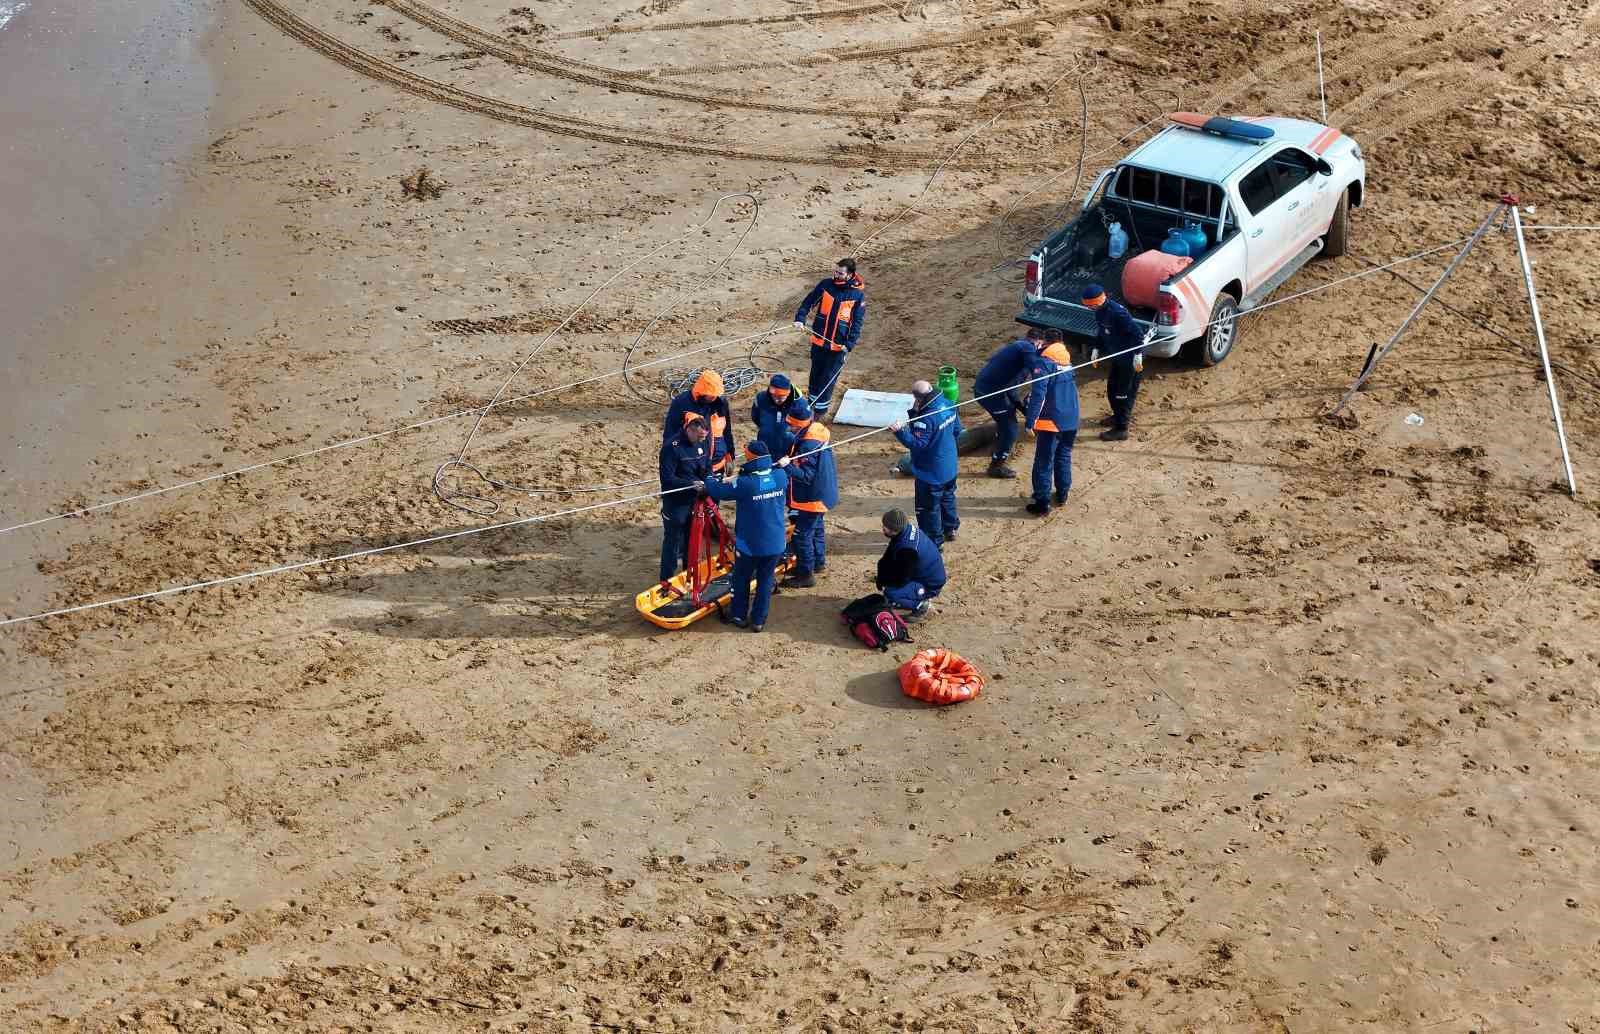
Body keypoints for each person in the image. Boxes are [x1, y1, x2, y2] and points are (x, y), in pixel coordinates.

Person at [696, 441, 789, 633]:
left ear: (751, 459)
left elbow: (717, 491)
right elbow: (773, 473)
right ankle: (758, 620)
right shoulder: (780, 476)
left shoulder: (746, 484)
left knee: (741, 579)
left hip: (751, 544)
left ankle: (738, 615)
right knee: (765, 581)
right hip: (775, 542)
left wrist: (709, 479)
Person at [890, 379, 962, 547]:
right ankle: (950, 528)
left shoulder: (925, 419)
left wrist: (900, 432)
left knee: (928, 508)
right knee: (948, 497)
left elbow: (917, 444)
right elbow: (957, 430)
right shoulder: (949, 404)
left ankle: (934, 541)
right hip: (950, 466)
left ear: (918, 398)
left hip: (931, 473)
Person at [775, 398, 838, 589]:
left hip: (812, 496)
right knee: (817, 528)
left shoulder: (808, 445)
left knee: (802, 535)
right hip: (823, 492)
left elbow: (806, 475)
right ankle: (818, 563)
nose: (789, 427)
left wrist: (787, 467)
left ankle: (805, 574)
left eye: (791, 424)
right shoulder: (815, 433)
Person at [792, 258, 866, 416]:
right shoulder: (826, 285)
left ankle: (820, 411)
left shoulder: (857, 295)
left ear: (850, 275)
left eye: (840, 273)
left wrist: (849, 344)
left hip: (838, 346)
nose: (836, 275)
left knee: (828, 379)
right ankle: (811, 405)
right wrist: (800, 318)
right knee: (815, 375)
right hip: (819, 341)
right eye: (836, 271)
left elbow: (857, 323)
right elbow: (808, 302)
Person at [973, 325, 1049, 478]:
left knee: (1009, 416)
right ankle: (996, 465)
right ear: (1038, 343)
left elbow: (1012, 388)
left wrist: (1024, 410)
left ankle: (1000, 440)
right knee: (1011, 428)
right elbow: (1037, 372)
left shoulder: (1019, 350)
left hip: (994, 389)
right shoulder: (1027, 348)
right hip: (990, 394)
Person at [1080, 283, 1146, 441]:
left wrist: (1137, 354)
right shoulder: (1099, 312)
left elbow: (1137, 334)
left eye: (1091, 306)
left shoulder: (1118, 313)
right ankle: (1117, 416)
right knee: (1112, 390)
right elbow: (1102, 332)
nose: (1089, 309)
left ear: (1097, 302)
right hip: (1117, 357)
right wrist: (1096, 348)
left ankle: (1121, 428)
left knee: (1123, 394)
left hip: (1130, 360)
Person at [1022, 338, 1079, 516]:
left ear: (1046, 343)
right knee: (1063, 456)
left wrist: (1030, 422)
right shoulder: (1067, 361)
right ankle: (1062, 494)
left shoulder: (1044, 364)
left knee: (1043, 462)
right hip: (1071, 419)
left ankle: (1042, 503)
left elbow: (1039, 395)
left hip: (1051, 422)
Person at [657, 412, 713, 582]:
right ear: (690, 430)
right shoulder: (671, 448)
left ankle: (688, 576)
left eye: (705, 436)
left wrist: (709, 479)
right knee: (672, 544)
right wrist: (690, 485)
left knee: (692, 540)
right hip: (676, 504)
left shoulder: (704, 442)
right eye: (700, 436)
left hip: (695, 502)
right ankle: (666, 580)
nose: (703, 440)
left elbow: (706, 465)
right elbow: (667, 479)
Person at [875, 508, 946, 620]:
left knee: (891, 593)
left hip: (930, 584)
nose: (883, 529)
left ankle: (922, 605)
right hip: (921, 570)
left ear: (895, 530)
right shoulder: (905, 530)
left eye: (887, 528)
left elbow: (902, 579)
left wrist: (885, 581)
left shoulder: (908, 550)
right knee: (889, 574)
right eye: (884, 525)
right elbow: (888, 557)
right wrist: (881, 575)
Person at [663, 369, 734, 472]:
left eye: (716, 395)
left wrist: (729, 456)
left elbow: (727, 431)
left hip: (718, 465)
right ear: (701, 392)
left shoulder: (721, 403)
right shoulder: (681, 403)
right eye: (711, 395)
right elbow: (670, 433)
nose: (714, 397)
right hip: (694, 467)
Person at [750, 373, 798, 458]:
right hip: (765, 443)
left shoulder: (796, 404)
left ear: (788, 393)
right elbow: (755, 417)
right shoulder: (761, 399)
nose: (776, 399)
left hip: (786, 449)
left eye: (781, 397)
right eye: (774, 396)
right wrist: (765, 428)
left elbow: (801, 426)